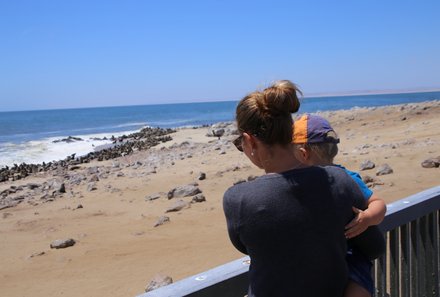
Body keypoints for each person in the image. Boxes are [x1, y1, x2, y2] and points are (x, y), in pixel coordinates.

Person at [223, 80, 375, 297]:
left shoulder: (238, 199)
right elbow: (372, 243)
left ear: (250, 140)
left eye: (241, 144)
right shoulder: (339, 179)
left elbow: (250, 247)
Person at [292, 114, 387, 297]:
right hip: (323, 256)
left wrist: (366, 218)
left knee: (356, 286)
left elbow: (378, 204)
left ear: (303, 154)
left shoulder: (346, 178)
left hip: (349, 253)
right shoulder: (304, 182)